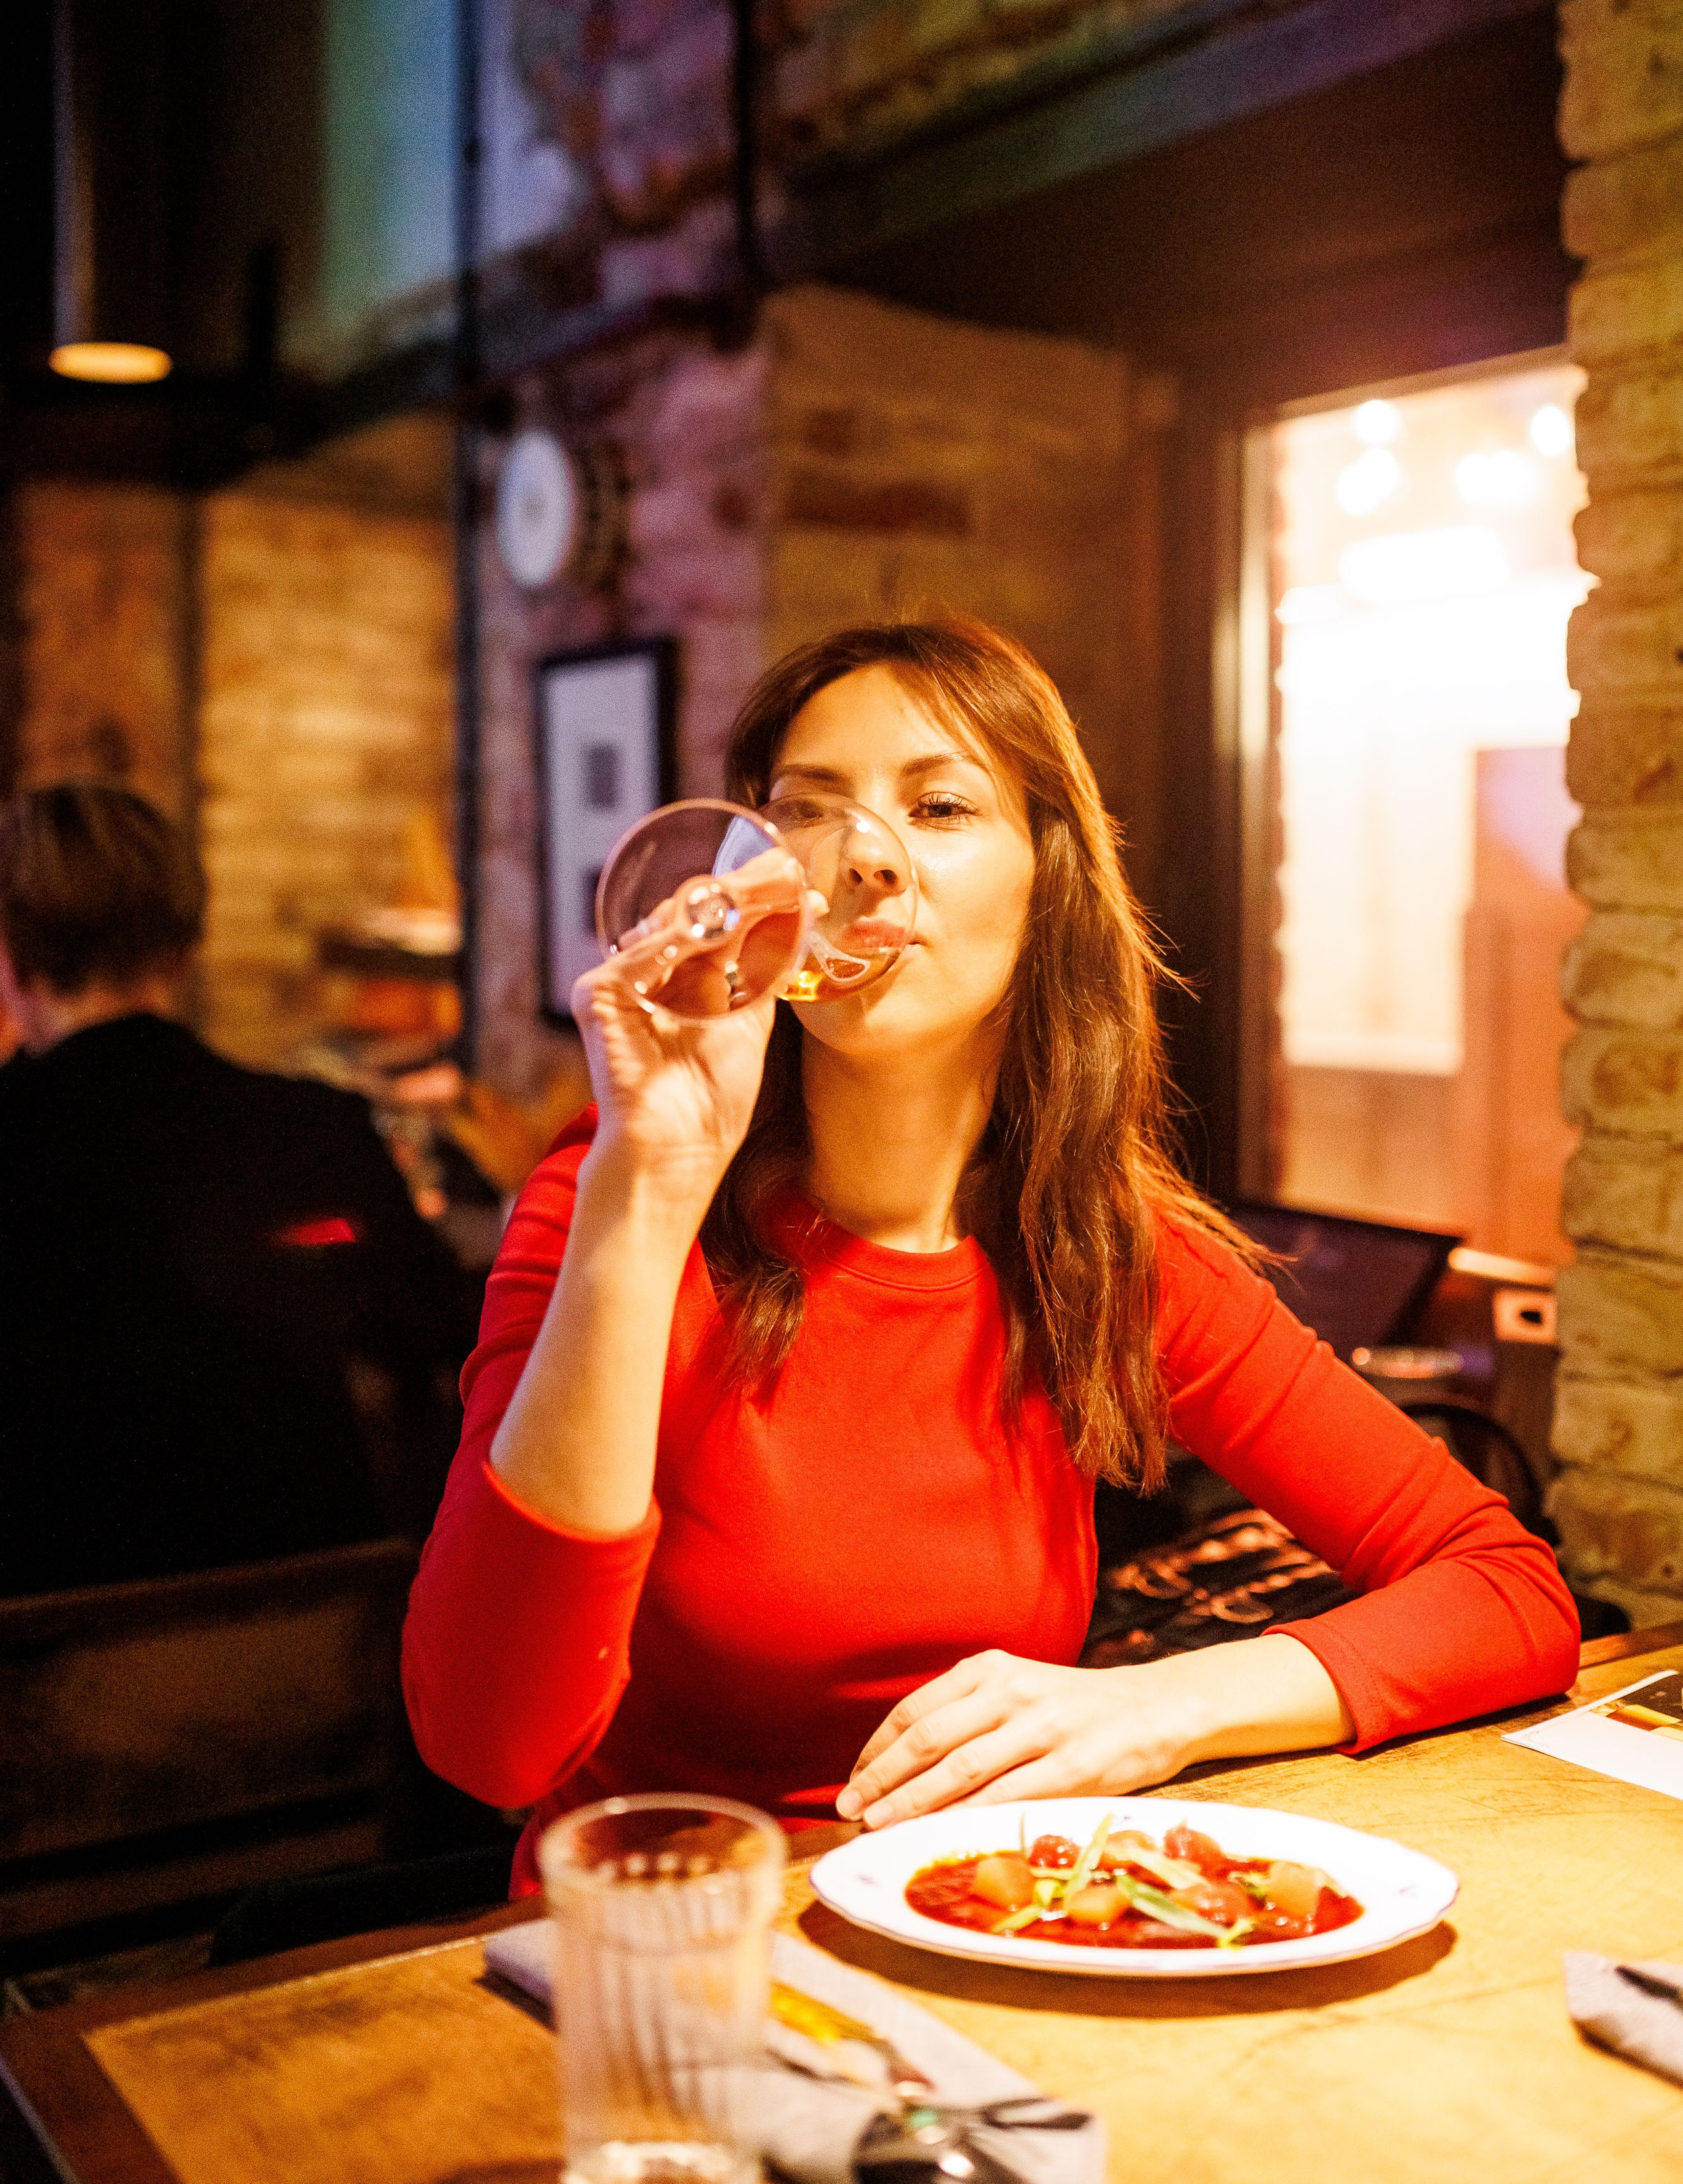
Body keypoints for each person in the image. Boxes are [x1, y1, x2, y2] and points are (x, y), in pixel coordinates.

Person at [402, 619, 1578, 1892]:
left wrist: (1148, 1711)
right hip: (659, 1957)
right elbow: (487, 1749)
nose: (865, 861)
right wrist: (653, 1184)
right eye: (809, 813)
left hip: (974, 1930)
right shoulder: (615, 1189)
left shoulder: (1097, 1245)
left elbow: (1506, 1589)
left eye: (939, 806)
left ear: (1044, 885)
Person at [0, 783, 476, 1596]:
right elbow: (441, 1324)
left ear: (15, 949)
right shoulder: (312, 1125)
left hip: (51, 1648)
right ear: (184, 937)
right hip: (302, 1627)